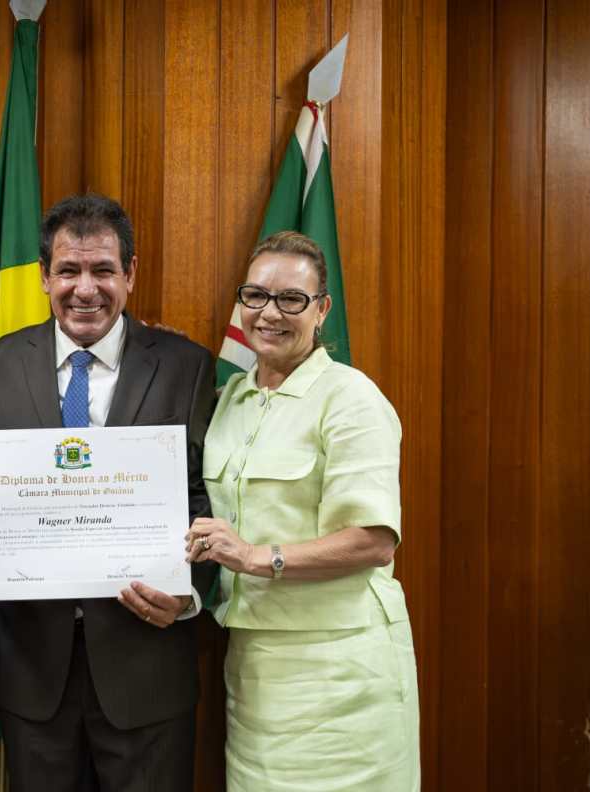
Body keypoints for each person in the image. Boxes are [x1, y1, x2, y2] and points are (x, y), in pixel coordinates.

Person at [0, 193, 217, 792]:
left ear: (131, 274)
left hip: (149, 668)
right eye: (68, 270)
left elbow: (205, 500)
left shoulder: (187, 365)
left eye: (103, 270)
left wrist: (189, 594)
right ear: (43, 276)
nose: (85, 289)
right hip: (33, 673)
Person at [186, 230, 420, 791]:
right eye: (256, 296)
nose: (270, 313)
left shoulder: (351, 398)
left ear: (322, 310)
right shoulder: (232, 401)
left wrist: (253, 556)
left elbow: (373, 540)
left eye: (292, 299)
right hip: (254, 674)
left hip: (342, 675)